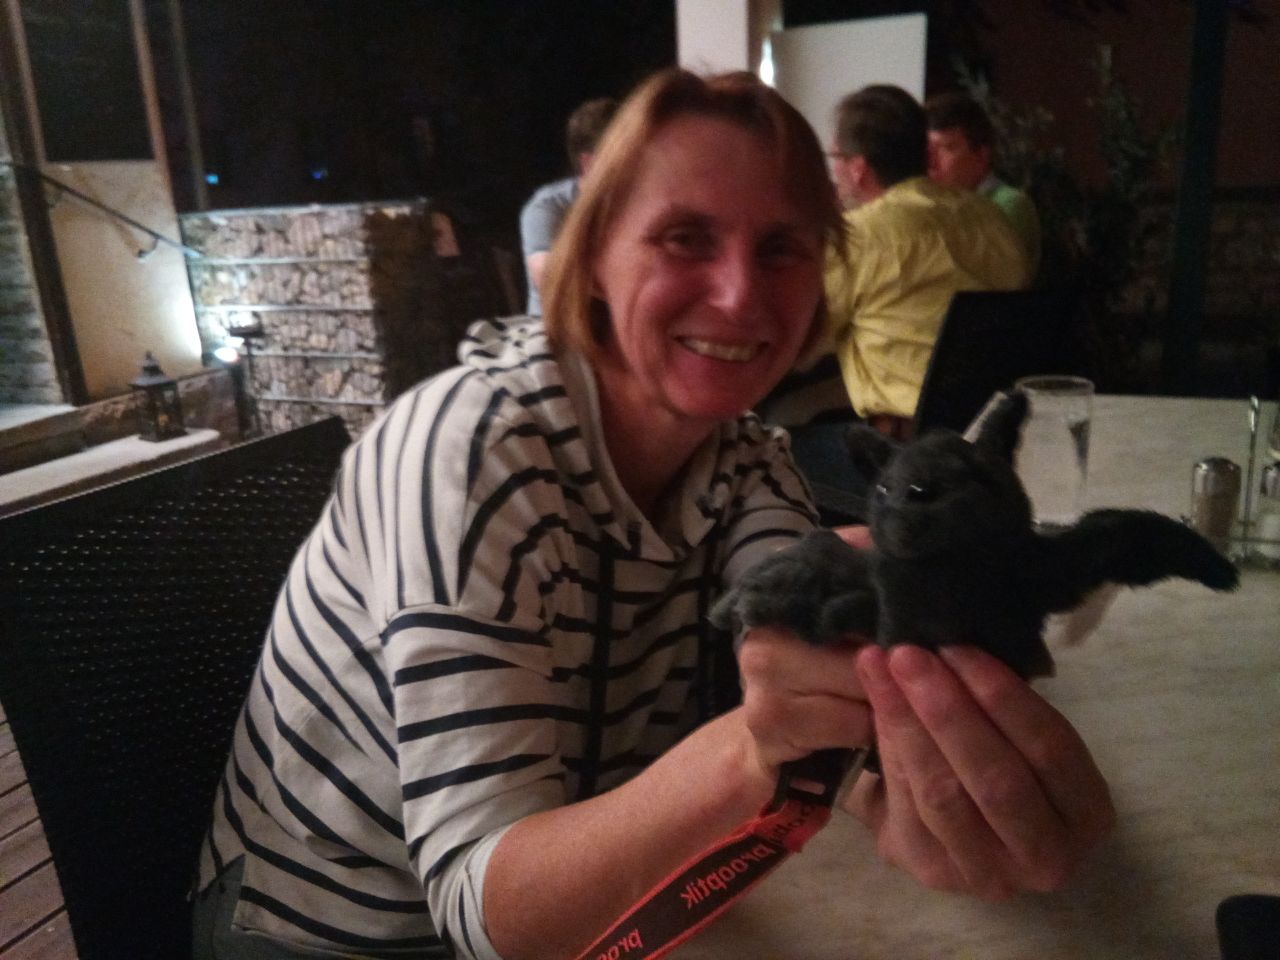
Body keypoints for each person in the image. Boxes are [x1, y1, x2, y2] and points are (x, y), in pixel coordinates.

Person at [192, 69, 1113, 960]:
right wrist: (754, 747)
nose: (740, 295)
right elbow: (485, 915)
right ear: (595, 256)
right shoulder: (469, 453)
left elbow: (799, 651)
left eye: (781, 248)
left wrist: (908, 778)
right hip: (329, 929)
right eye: (684, 238)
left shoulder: (746, 456)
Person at [823, 84, 1032, 438]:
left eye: (835, 157)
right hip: (995, 438)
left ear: (857, 168)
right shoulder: (991, 218)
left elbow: (806, 331)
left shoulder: (856, 238)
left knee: (773, 442)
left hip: (905, 450)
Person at [518, 96, 618, 315]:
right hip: (555, 328)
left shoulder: (633, 204)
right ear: (590, 163)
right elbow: (551, 280)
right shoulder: (547, 208)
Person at [926, 90, 1042, 276]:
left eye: (946, 148)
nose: (931, 162)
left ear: (982, 155)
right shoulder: (931, 203)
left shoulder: (1009, 204)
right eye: (928, 151)